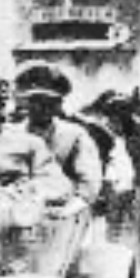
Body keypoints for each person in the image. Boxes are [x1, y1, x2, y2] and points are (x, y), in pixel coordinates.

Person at [0, 76, 72, 200]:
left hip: (12, 206)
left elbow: (54, 181)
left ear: (1, 106)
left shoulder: (28, 142)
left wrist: (26, 190)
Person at [14, 62, 103, 204]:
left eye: (50, 102)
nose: (43, 108)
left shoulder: (74, 136)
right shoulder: (12, 134)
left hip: (60, 212)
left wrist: (73, 206)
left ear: (59, 105)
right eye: (37, 101)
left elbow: (89, 183)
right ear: (26, 102)